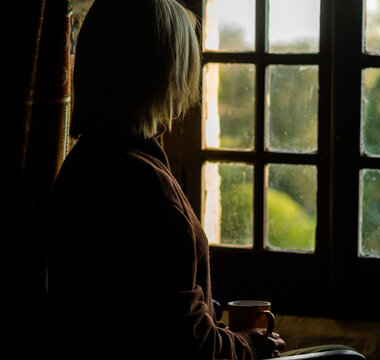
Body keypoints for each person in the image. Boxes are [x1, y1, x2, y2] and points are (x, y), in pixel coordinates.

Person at [51, 0, 285, 359]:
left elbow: (151, 316)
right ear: (159, 74)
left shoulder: (84, 164)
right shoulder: (141, 184)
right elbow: (188, 345)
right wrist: (249, 346)